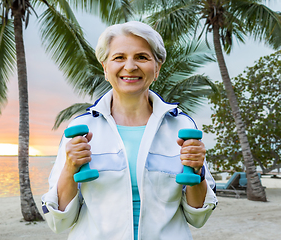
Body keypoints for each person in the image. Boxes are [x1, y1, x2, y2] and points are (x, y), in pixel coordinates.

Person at [41, 21, 218, 240]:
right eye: (119, 57)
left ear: (157, 68)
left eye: (142, 57)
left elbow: (198, 217)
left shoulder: (183, 127)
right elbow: (59, 222)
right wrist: (69, 168)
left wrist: (198, 171)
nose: (130, 66)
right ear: (105, 68)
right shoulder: (80, 128)